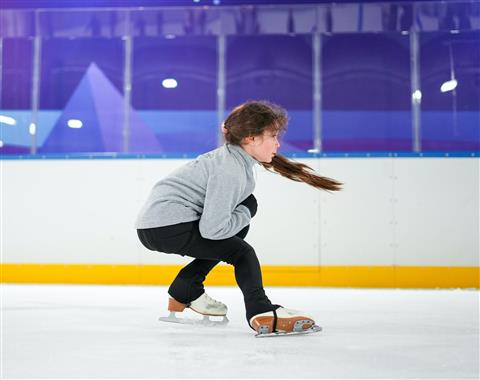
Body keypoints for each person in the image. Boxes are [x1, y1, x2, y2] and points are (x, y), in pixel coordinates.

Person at [135, 100, 342, 335]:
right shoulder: (230, 168)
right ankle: (259, 310)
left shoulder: (232, 160)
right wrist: (247, 211)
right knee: (242, 252)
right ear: (250, 139)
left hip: (158, 226)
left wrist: (244, 212)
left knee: (236, 236)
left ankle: (186, 288)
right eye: (273, 136)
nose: (278, 143)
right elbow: (212, 230)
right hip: (169, 225)